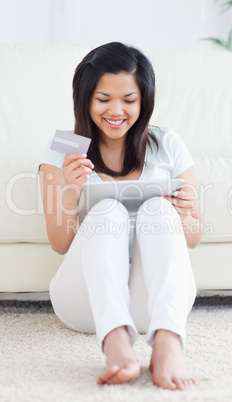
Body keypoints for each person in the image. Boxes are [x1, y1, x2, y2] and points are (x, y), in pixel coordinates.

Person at [39, 42, 203, 390]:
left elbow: (193, 236)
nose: (117, 110)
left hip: (156, 303)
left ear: (144, 101)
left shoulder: (167, 142)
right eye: (103, 99)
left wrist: (186, 213)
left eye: (129, 100)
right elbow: (58, 242)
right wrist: (70, 190)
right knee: (107, 209)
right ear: (84, 98)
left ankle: (168, 343)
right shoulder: (65, 147)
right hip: (86, 304)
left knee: (158, 207)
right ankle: (115, 340)